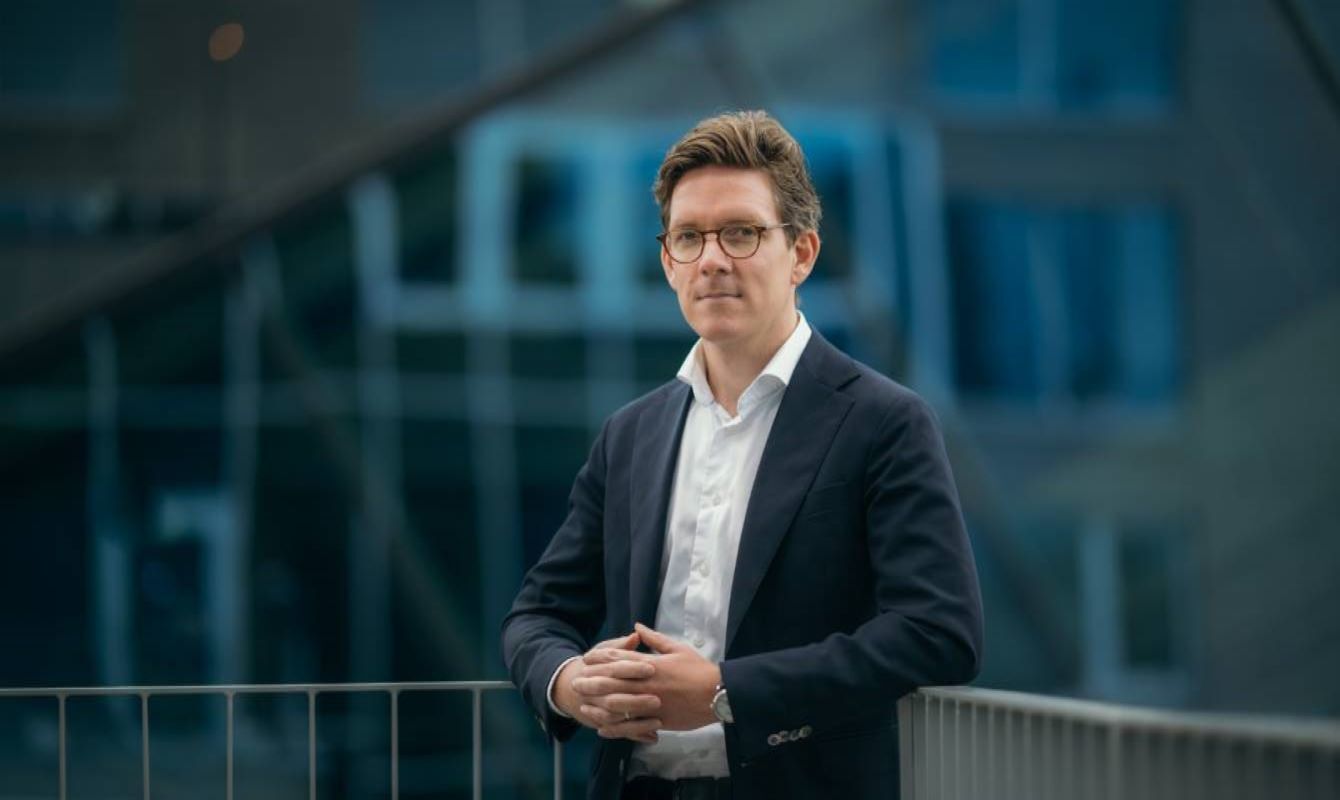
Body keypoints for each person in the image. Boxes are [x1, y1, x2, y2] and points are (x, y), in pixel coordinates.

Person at [502, 110, 983, 800]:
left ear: (802, 254)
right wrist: (569, 682)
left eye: (741, 233)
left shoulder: (885, 422)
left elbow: (939, 632)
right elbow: (537, 615)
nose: (712, 260)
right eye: (689, 238)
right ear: (668, 262)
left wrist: (726, 691)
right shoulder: (630, 435)